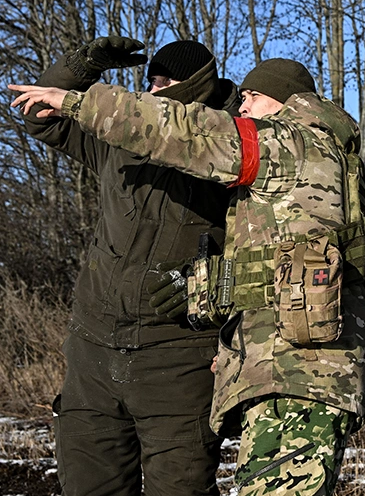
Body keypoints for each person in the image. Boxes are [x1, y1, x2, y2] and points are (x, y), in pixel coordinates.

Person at [10, 58, 365, 496]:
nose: (242, 108)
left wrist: (79, 101)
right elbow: (271, 270)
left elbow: (189, 134)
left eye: (251, 98)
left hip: (299, 376)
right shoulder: (321, 156)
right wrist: (213, 304)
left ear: (282, 102)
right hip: (290, 369)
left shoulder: (288, 143)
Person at [19, 37, 239, 496]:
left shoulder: (232, 148)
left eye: (167, 83)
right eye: (150, 81)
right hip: (93, 353)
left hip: (178, 362)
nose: (154, 92)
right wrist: (82, 65)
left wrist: (214, 284)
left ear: (197, 86)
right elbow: (39, 115)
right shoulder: (118, 139)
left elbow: (264, 248)